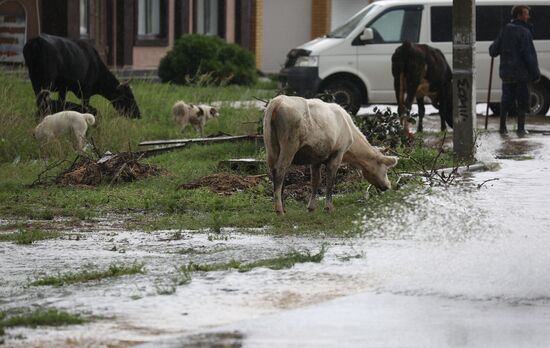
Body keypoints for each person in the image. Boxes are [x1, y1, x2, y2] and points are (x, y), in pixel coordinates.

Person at [489, 5, 540, 134]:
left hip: (506, 74)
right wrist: (535, 74)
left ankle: (502, 128)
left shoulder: (505, 30)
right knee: (522, 101)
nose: (528, 16)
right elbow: (529, 56)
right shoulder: (524, 32)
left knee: (506, 100)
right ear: (519, 15)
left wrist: (494, 47)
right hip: (521, 75)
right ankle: (521, 129)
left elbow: (493, 51)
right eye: (526, 14)